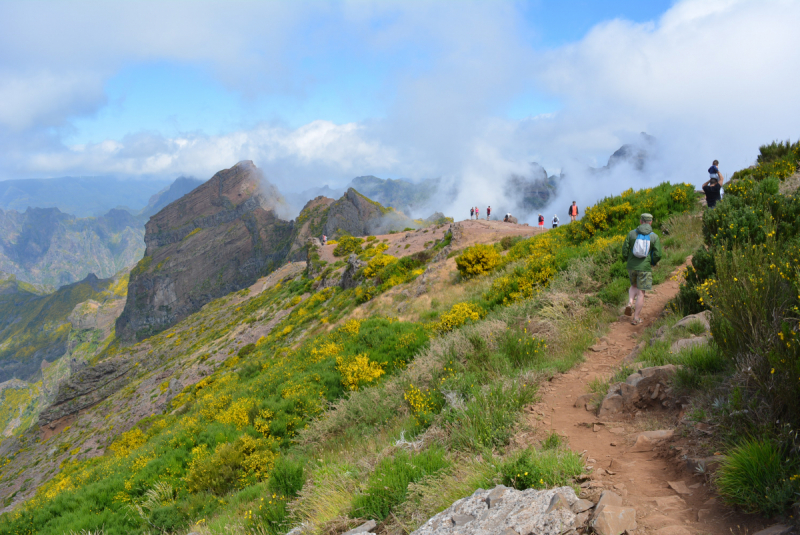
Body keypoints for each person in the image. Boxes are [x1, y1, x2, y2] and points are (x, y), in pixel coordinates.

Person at [622, 213, 663, 325]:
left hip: (631, 266)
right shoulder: (654, 236)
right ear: (651, 222)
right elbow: (658, 254)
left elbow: (624, 250)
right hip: (645, 267)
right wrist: (652, 262)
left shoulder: (631, 234)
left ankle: (630, 303)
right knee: (641, 292)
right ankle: (636, 318)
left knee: (633, 285)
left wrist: (629, 259)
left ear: (640, 221)